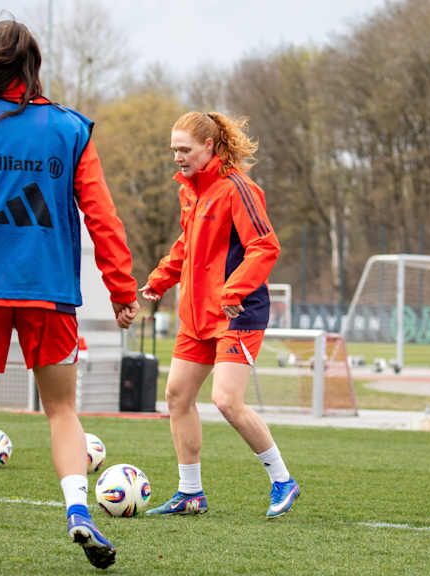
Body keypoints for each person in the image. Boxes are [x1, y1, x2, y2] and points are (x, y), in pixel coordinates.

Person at [0, 19, 139, 571]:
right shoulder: (70, 128)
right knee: (62, 410)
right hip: (50, 290)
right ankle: (79, 510)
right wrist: (121, 288)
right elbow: (103, 218)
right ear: (35, 63)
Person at [141, 112, 299, 519]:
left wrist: (235, 290)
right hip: (196, 315)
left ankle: (283, 480)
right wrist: (160, 280)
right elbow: (187, 245)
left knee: (227, 401)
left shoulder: (239, 189)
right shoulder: (191, 192)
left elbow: (264, 246)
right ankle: (190, 492)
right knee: (177, 396)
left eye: (185, 149)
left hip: (237, 312)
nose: (177, 157)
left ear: (209, 146)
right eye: (174, 149)